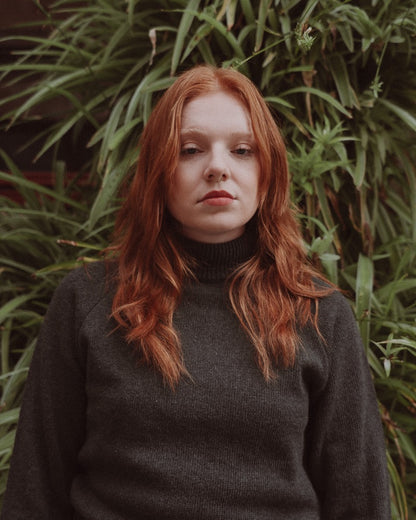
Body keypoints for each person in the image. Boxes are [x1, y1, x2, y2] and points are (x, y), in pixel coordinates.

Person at [1, 65, 390, 519]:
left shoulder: (320, 315)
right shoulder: (88, 301)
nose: (218, 168)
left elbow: (359, 499)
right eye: (190, 150)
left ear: (267, 173)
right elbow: (35, 490)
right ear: (159, 172)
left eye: (243, 150)